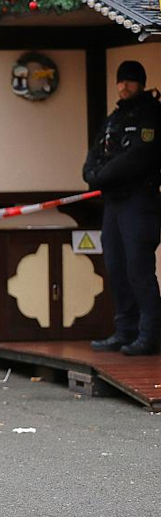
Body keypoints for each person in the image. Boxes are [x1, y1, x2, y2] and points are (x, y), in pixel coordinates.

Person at [84, 60, 161, 356]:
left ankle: (149, 333)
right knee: (116, 267)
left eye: (130, 81)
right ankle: (124, 330)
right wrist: (90, 174)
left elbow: (138, 156)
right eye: (120, 81)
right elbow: (94, 153)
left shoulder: (150, 115)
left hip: (139, 202)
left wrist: (101, 177)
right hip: (114, 204)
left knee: (138, 269)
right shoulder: (113, 118)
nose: (124, 86)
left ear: (140, 83)